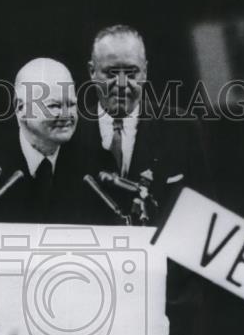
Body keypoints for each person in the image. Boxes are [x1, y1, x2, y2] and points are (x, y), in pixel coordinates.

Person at [76, 24, 212, 225]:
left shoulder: (182, 128)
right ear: (92, 72)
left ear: (146, 72)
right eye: (111, 73)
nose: (122, 84)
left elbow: (205, 216)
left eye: (132, 73)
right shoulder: (70, 132)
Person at [0, 58, 104, 224]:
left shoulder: (97, 168)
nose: (66, 114)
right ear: (20, 108)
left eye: (71, 104)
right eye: (54, 105)